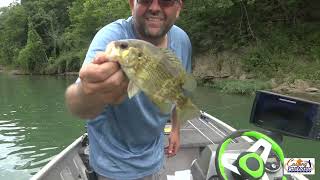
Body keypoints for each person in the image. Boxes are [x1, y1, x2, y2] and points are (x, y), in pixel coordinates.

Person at [65, 0, 192, 179]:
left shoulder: (182, 40)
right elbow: (77, 106)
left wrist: (176, 129)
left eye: (166, 1)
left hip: (156, 159)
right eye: (146, 0)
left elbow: (181, 90)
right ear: (132, 4)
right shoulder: (111, 37)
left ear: (178, 7)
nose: (155, 8)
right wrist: (89, 90)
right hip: (113, 167)